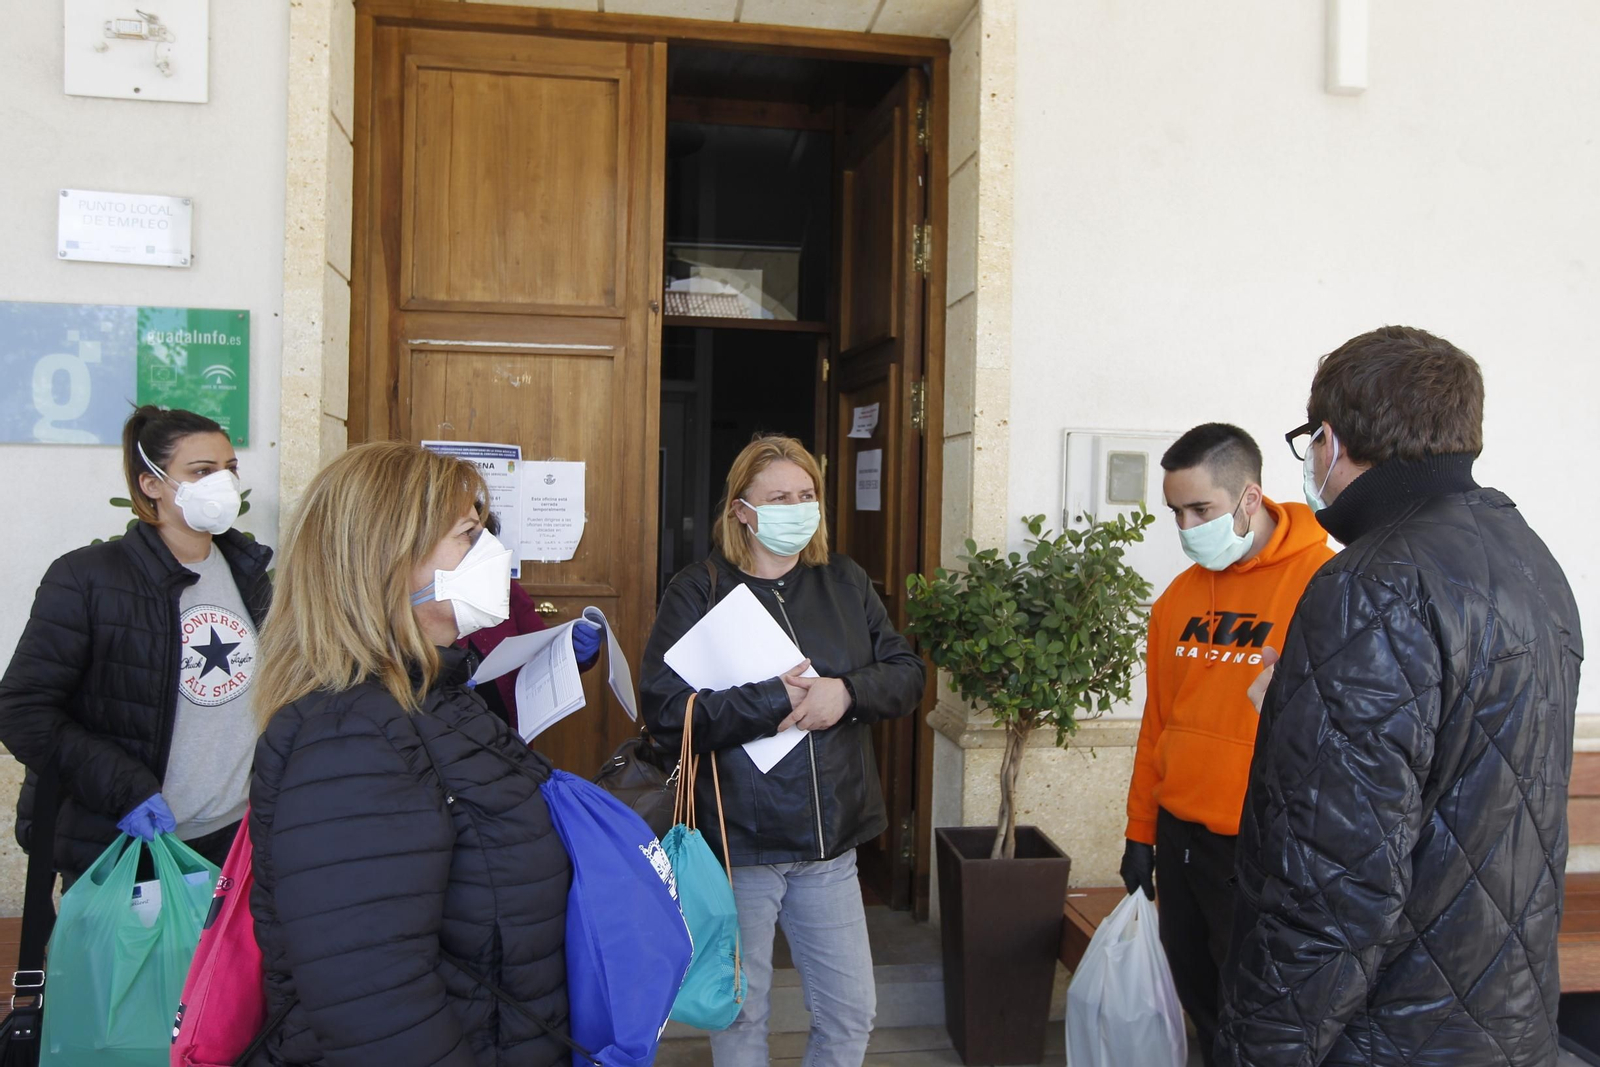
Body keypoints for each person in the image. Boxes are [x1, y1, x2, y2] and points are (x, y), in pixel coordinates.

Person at [1216, 327, 1583, 1067]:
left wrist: (1258, 1051)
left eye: (1309, 445)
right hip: (1504, 1021)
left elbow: (1330, 883)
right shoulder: (1530, 560)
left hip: (1388, 1035)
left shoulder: (1372, 584)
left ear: (1330, 439)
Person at [248, 442, 572, 1066]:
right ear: (388, 561)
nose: (494, 556)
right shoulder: (350, 738)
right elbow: (374, 1001)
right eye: (468, 535)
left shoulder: (437, 695)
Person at [640, 434, 925, 1067]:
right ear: (741, 509)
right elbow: (665, 710)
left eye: (806, 495)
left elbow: (906, 673)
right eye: (778, 497)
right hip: (741, 842)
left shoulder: (844, 581)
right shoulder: (698, 589)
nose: (797, 507)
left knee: (852, 1014)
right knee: (743, 1017)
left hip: (829, 842)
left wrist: (845, 694)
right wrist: (774, 699)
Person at [1119, 423, 1332, 1066]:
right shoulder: (1178, 601)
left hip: (1265, 850)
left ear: (1248, 497)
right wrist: (1140, 832)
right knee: (1202, 1006)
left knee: (1258, 1021)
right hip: (1183, 841)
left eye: (1200, 509)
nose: (1186, 527)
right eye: (1175, 512)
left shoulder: (1323, 584)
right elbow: (1157, 723)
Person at [0, 406, 270, 883]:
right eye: (202, 472)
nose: (223, 485)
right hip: (132, 840)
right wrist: (123, 788)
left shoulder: (249, 577)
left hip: (233, 839)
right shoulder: (87, 578)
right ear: (152, 484)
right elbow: (22, 710)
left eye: (230, 470)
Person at [458, 511, 600, 734]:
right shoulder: (416, 603)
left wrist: (572, 652)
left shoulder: (506, 591)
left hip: (509, 741)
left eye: (484, 537)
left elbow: (543, 657)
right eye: (467, 534)